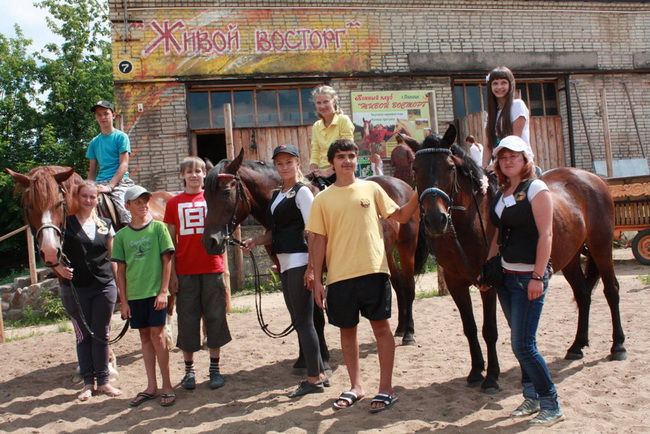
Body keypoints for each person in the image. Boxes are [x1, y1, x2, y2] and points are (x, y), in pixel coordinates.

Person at [306, 138, 419, 412]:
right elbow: (318, 240)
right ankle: (356, 386)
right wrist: (317, 279)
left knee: (382, 329)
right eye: (341, 157)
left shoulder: (372, 188)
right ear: (332, 163)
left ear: (357, 160)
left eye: (351, 156)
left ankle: (386, 389)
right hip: (339, 276)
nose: (347, 161)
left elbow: (401, 216)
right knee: (347, 333)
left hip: (374, 271)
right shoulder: (321, 200)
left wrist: (420, 190)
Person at [478, 135, 564, 427]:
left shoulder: (536, 188)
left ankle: (551, 403)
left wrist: (538, 276)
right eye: (503, 157)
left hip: (529, 277)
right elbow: (497, 236)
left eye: (514, 156)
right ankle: (531, 396)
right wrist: (489, 268)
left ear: (526, 159)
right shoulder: (503, 192)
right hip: (506, 277)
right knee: (520, 341)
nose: (508, 161)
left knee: (524, 345)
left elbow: (546, 235)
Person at [242, 144, 329, 398]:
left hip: (300, 260)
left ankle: (314, 377)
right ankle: (319, 373)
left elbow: (313, 231)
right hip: (285, 262)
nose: (284, 167)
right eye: (279, 163)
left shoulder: (303, 192)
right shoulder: (277, 195)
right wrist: (256, 240)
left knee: (304, 321)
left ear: (297, 163)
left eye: (289, 162)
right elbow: (276, 231)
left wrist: (311, 268)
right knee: (300, 320)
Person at [164, 157, 232, 391]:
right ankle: (189, 371)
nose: (194, 175)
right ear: (182, 175)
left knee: (215, 318)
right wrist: (172, 274)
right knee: (187, 320)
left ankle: (215, 369)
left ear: (205, 175)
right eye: (189, 171)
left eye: (199, 171)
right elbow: (170, 242)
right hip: (186, 270)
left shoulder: (212, 198)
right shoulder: (173, 203)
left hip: (212, 267)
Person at [54, 181, 123, 401]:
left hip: (104, 286)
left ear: (97, 199)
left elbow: (113, 258)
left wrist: (120, 287)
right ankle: (87, 382)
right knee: (83, 335)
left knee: (101, 334)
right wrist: (57, 268)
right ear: (77, 197)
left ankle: (103, 381)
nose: (88, 200)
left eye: (93, 197)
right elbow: (49, 251)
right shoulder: (65, 225)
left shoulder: (105, 224)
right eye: (84, 196)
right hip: (76, 289)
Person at [112, 185, 176, 408]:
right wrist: (124, 301)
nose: (143, 205)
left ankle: (167, 385)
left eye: (145, 201)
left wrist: (163, 291)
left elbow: (167, 261)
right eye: (137, 202)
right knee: (145, 338)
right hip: (135, 295)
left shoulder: (158, 228)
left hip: (155, 294)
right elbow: (120, 271)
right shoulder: (121, 236)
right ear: (127, 206)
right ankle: (151, 386)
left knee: (158, 337)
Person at [87, 100, 134, 224]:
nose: (102, 117)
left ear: (113, 115)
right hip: (99, 183)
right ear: (95, 118)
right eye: (99, 114)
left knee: (125, 212)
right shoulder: (94, 142)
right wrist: (88, 187)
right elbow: (92, 171)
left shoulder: (121, 137)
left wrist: (110, 186)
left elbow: (124, 165)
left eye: (105, 113)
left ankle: (131, 231)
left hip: (119, 183)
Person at [483, 67, 534, 169]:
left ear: (510, 85)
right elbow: (488, 145)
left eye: (503, 83)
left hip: (519, 162)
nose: (499, 87)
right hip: (499, 165)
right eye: (495, 83)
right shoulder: (491, 115)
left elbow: (514, 140)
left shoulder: (517, 105)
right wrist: (483, 168)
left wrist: (496, 165)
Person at [309, 85, 355, 182]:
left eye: (326, 101)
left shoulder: (343, 120)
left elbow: (347, 150)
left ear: (334, 101)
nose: (322, 106)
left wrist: (329, 171)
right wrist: (313, 171)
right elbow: (315, 151)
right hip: (322, 172)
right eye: (318, 103)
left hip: (342, 170)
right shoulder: (316, 126)